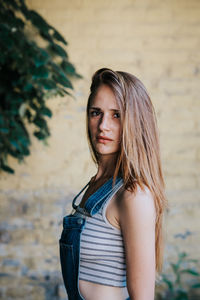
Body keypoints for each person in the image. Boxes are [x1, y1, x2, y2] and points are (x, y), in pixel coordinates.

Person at [59, 68, 168, 300]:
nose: (103, 126)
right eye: (96, 113)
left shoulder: (133, 195)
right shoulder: (95, 186)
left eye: (116, 115)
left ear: (135, 122)